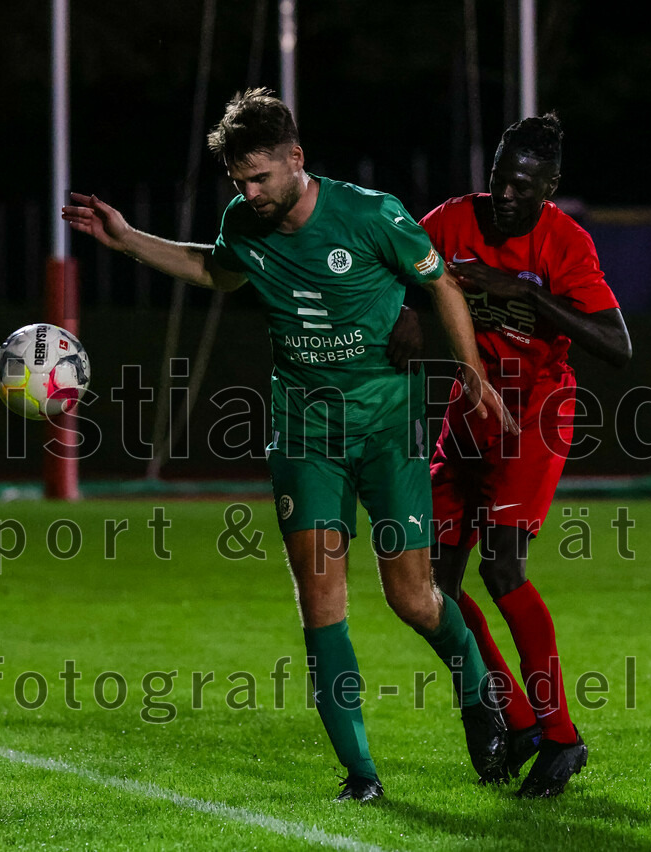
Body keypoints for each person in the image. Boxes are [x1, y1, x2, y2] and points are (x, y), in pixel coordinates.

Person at [63, 88, 517, 802]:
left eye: (260, 177)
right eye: (239, 181)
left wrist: (472, 372)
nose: (249, 192)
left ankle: (477, 693)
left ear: (295, 160)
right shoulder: (243, 221)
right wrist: (128, 240)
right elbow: (217, 268)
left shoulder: (371, 213)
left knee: (412, 599)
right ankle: (362, 775)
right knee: (321, 597)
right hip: (304, 435)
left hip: (387, 429)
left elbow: (442, 285)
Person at [418, 112, 632, 798]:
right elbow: (398, 278)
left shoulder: (564, 243)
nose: (506, 196)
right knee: (430, 588)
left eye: (523, 186)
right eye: (499, 181)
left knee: (502, 568)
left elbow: (618, 345)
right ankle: (516, 717)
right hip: (468, 412)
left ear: (550, 187)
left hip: (535, 414)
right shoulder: (450, 221)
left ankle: (562, 737)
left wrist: (529, 296)